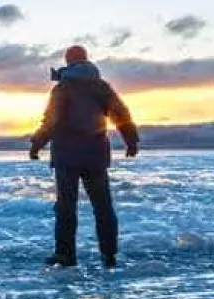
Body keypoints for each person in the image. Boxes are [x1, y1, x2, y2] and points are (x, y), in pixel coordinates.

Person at [29, 46, 138, 268]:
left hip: (67, 155)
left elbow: (52, 120)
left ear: (69, 62)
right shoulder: (101, 86)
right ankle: (109, 256)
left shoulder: (63, 87)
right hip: (95, 154)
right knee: (103, 206)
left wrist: (37, 144)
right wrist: (131, 140)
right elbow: (121, 114)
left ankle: (65, 255)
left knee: (66, 207)